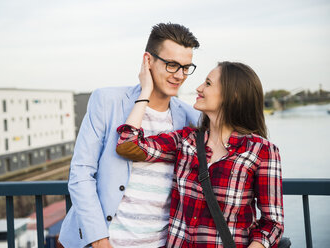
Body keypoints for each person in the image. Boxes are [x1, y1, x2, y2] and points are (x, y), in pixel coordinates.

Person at [58, 23, 200, 248]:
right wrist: (98, 239)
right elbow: (81, 172)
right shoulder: (107, 101)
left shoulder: (190, 116)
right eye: (172, 65)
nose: (180, 75)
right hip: (105, 242)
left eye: (186, 67)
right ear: (148, 61)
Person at [116, 59, 284, 248]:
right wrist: (145, 90)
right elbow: (128, 144)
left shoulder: (262, 151)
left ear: (233, 96)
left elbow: (273, 223)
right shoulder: (186, 141)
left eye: (208, 83)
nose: (198, 88)